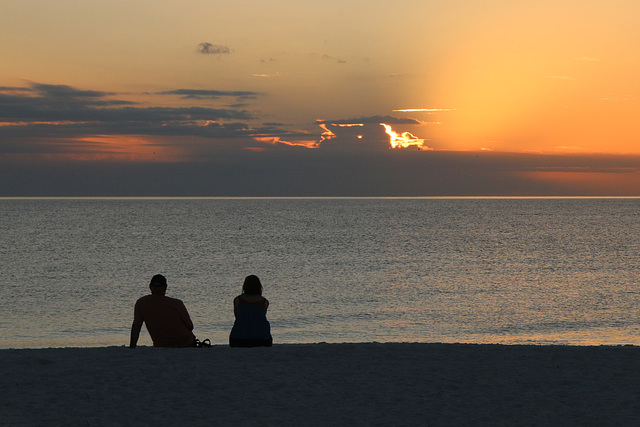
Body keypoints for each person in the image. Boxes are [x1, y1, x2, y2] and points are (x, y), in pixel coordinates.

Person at [129, 274, 196, 348]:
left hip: (161, 344)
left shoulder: (141, 303)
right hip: (185, 343)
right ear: (165, 287)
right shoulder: (177, 304)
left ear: (150, 287)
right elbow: (190, 326)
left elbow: (136, 327)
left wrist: (132, 346)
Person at [229, 275, 273, 347]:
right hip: (262, 338)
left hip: (238, 339)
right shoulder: (264, 302)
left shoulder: (238, 300)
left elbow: (237, 317)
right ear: (259, 287)